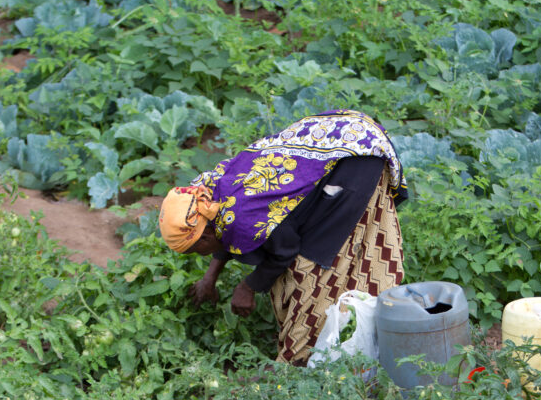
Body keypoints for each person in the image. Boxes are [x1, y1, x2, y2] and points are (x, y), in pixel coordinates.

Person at [158, 109, 407, 365]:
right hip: (340, 135)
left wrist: (248, 287)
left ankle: (293, 363)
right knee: (294, 271)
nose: (202, 254)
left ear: (204, 236)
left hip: (358, 156)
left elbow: (284, 250)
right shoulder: (208, 193)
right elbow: (223, 231)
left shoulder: (243, 215)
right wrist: (210, 277)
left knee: (310, 271)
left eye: (194, 250)